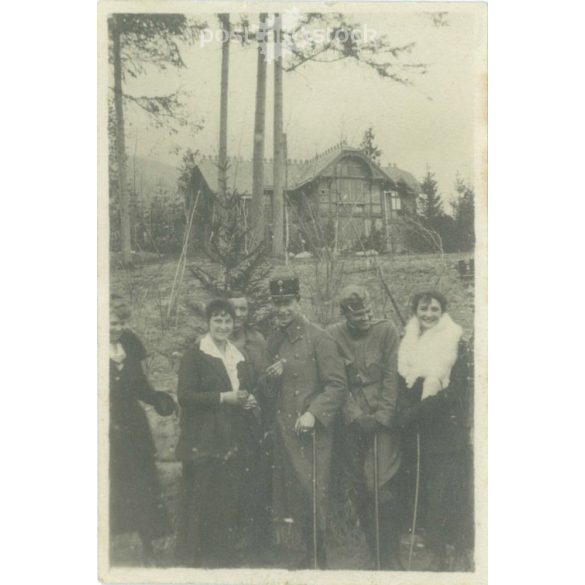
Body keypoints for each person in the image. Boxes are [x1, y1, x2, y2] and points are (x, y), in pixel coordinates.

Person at [264, 274, 347, 569]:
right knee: (293, 495)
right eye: (277, 303)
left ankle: (319, 558)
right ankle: (306, 552)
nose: (282, 309)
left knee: (313, 492)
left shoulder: (318, 337)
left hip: (309, 431)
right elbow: (272, 389)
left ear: (298, 301)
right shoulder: (274, 338)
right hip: (283, 430)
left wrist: (314, 413)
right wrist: (271, 377)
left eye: (287, 302)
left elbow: (337, 385)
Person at [174, 298, 258, 568]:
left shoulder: (237, 355)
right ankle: (193, 560)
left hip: (231, 436)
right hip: (203, 438)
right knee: (200, 496)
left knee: (227, 498)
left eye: (227, 321)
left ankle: (222, 556)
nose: (223, 326)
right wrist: (225, 398)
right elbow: (185, 397)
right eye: (217, 321)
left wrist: (249, 399)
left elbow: (243, 389)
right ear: (208, 323)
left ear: (234, 323)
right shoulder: (196, 354)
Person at [397, 291, 473, 571]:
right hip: (418, 431)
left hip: (443, 430)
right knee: (424, 490)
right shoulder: (409, 339)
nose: (428, 314)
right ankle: (430, 548)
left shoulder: (454, 341)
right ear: (415, 311)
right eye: (423, 309)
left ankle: (448, 554)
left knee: (443, 493)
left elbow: (456, 390)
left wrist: (423, 409)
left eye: (434, 309)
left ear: (443, 312)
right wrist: (407, 411)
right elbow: (405, 380)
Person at [328, 285, 402, 570]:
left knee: (380, 483)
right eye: (358, 314)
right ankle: (373, 552)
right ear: (345, 313)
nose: (366, 318)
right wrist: (355, 415)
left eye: (369, 311)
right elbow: (335, 379)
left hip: (381, 421)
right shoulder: (333, 335)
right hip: (352, 422)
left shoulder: (387, 331)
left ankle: (389, 554)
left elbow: (391, 377)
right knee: (358, 485)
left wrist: (382, 417)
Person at [109, 295, 176, 566]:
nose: (117, 327)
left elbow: (139, 387)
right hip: (105, 424)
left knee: (143, 479)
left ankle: (149, 541)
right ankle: (113, 542)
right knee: (114, 479)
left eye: (122, 322)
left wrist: (159, 400)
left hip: (133, 424)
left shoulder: (128, 346)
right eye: (112, 322)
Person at [227, 292, 274, 564]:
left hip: (256, 417)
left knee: (258, 476)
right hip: (231, 418)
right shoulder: (214, 341)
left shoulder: (257, 340)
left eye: (244, 309)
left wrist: (258, 397)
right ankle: (236, 536)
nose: (239, 314)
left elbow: (267, 374)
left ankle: (260, 539)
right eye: (234, 309)